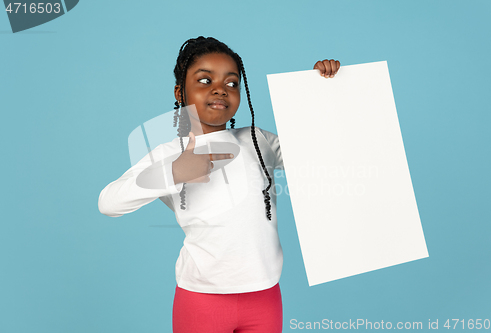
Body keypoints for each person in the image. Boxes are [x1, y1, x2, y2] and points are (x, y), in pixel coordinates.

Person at [98, 36, 340, 333]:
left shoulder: (257, 139)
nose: (219, 90)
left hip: (265, 295)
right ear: (180, 91)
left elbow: (315, 156)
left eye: (231, 83)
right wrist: (174, 171)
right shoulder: (170, 154)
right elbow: (108, 203)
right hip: (201, 300)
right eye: (204, 80)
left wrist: (322, 91)